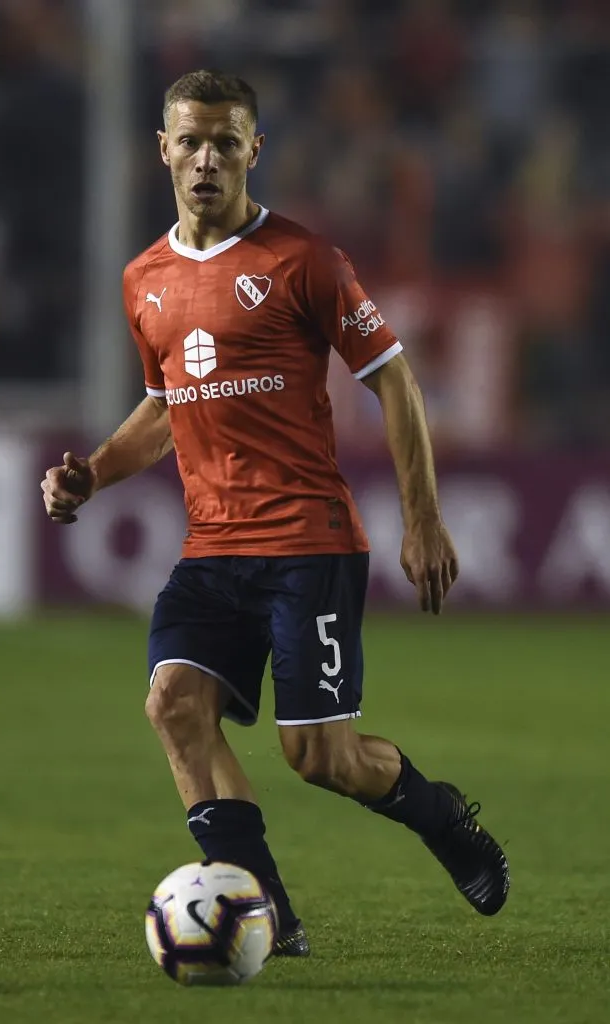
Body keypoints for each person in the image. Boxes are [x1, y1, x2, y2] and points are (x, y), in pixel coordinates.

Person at [41, 70, 510, 956]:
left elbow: (397, 381)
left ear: (256, 149)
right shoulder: (144, 279)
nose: (207, 158)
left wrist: (422, 518)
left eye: (226, 141)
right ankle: (265, 914)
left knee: (319, 760)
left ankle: (441, 815)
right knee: (175, 703)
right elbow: (164, 407)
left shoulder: (305, 263)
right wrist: (94, 475)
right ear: (164, 151)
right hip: (212, 549)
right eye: (191, 140)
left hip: (309, 544)